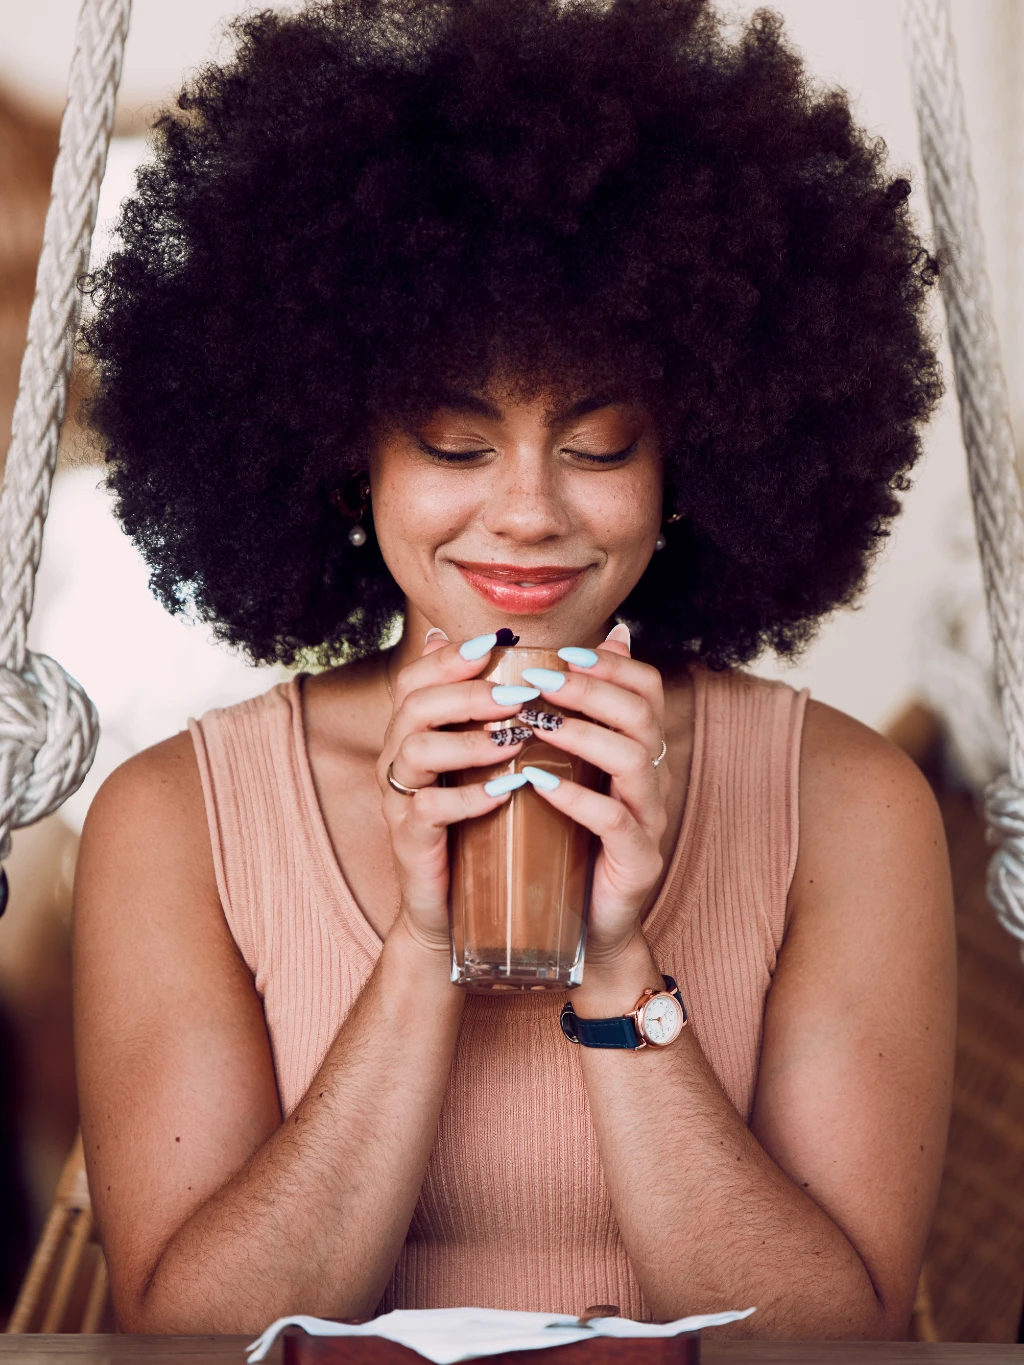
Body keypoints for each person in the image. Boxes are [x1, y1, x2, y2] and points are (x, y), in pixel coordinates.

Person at [72, 0, 956, 1339]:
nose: (530, 511)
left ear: (687, 469)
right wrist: (427, 942)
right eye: (453, 439)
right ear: (348, 461)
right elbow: (200, 1339)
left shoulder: (848, 806)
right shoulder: (175, 820)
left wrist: (616, 964)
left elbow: (829, 1344)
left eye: (599, 445)